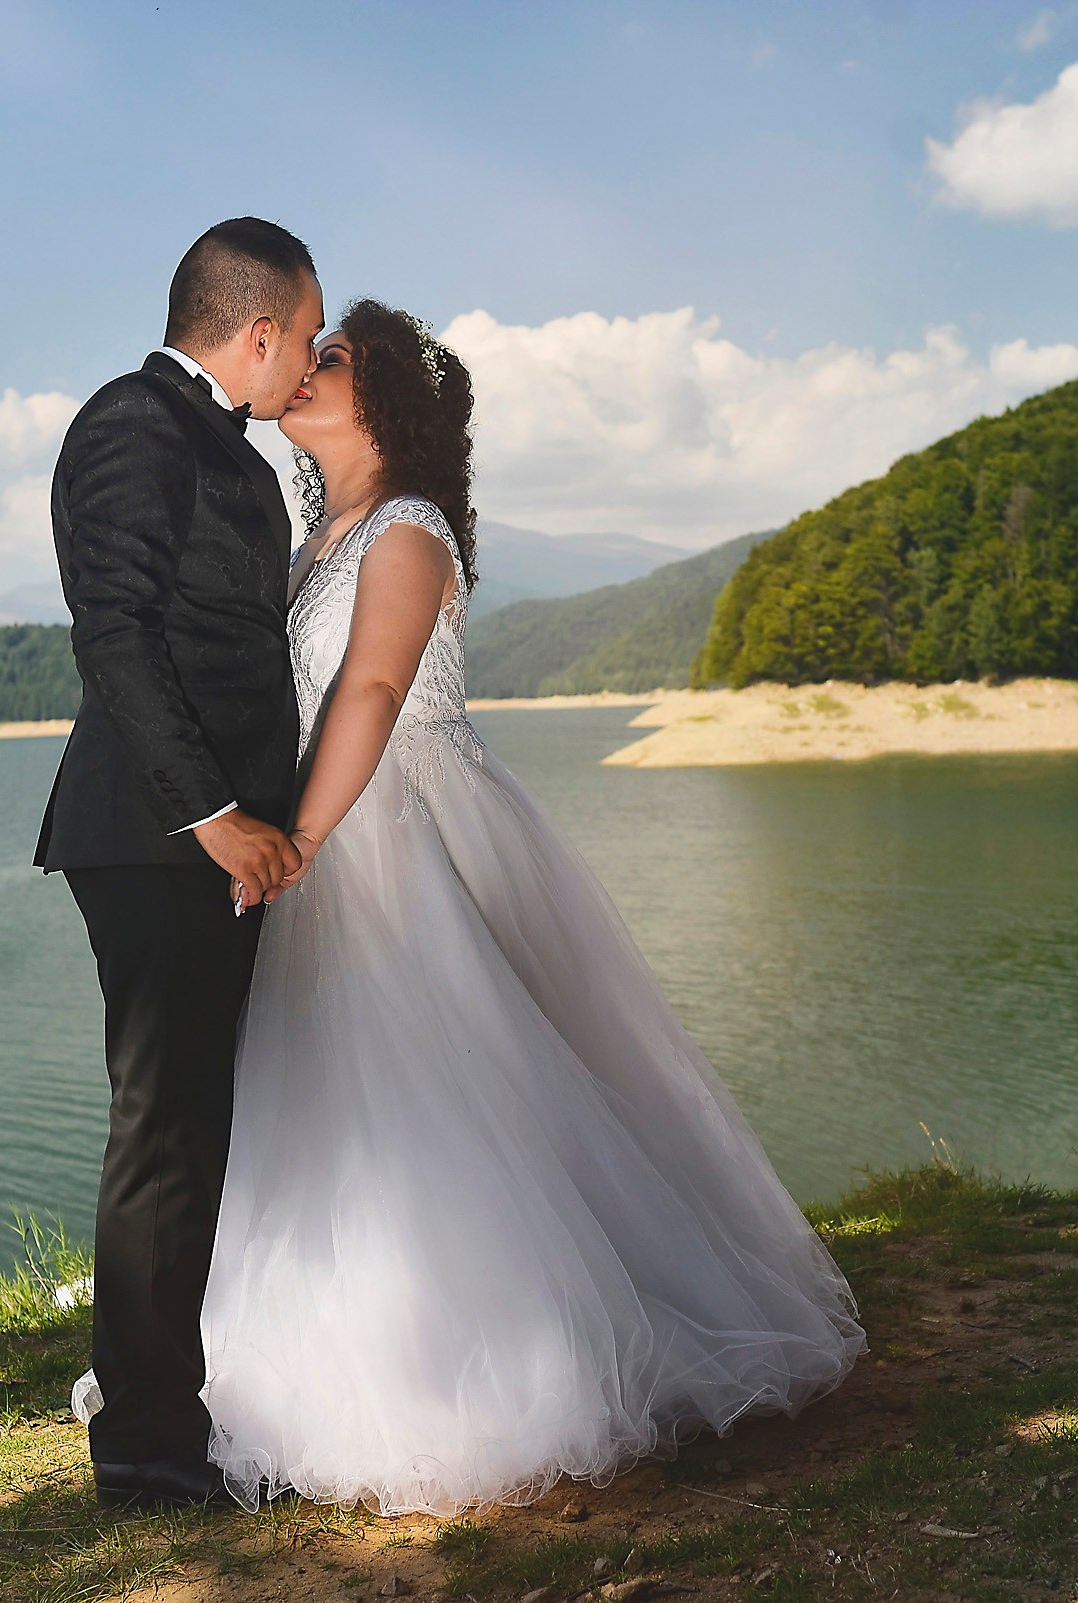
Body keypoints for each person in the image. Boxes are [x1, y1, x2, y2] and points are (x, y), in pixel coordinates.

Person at [193, 300, 866, 1516]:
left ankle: (488, 1363)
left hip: (399, 836)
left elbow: (376, 686)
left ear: (385, 400)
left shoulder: (404, 529)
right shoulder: (312, 540)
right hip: (336, 838)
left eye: (329, 357)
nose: (302, 367)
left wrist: (300, 834)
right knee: (330, 1100)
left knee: (446, 1085)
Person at [35, 217, 324, 1510]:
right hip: (155, 839)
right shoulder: (131, 424)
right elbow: (115, 629)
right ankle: (148, 1453)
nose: (307, 361)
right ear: (257, 331)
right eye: (303, 338)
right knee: (163, 1131)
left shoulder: (234, 450)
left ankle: (169, 1406)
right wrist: (215, 815)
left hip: (213, 841)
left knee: (195, 1125)